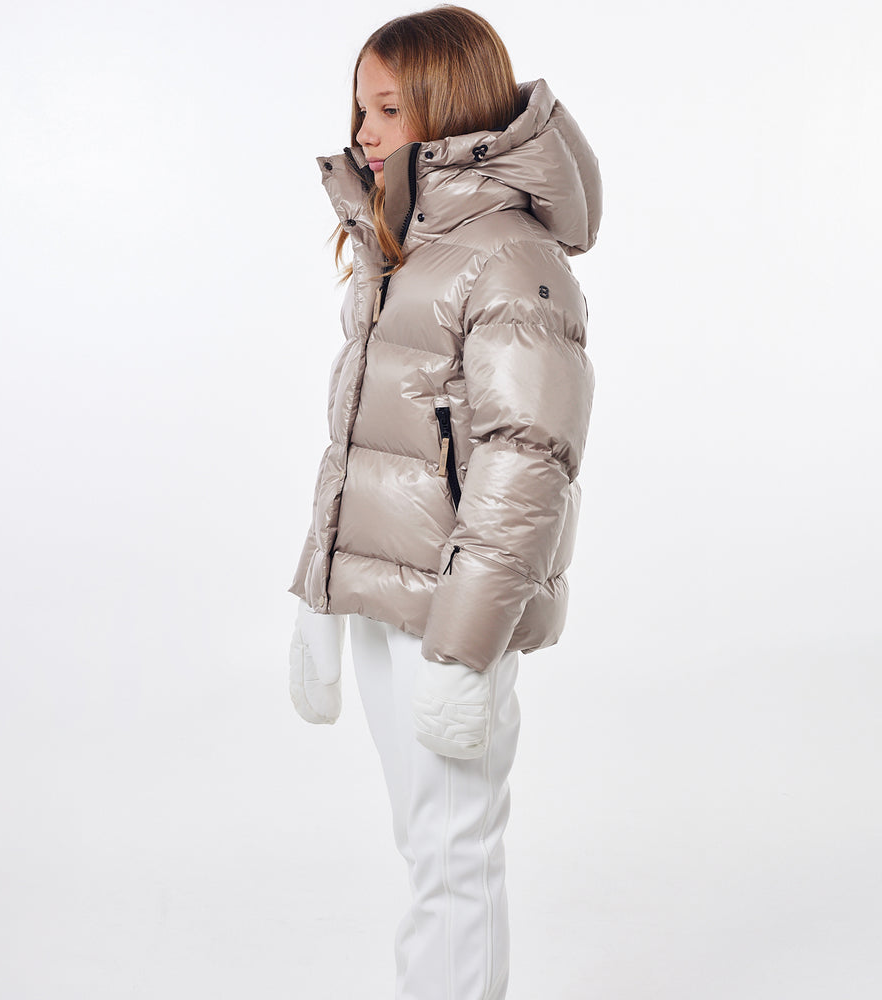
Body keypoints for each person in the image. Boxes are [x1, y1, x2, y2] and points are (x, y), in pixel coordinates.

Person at [287, 6, 601, 998]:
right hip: (386, 598)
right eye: (360, 108)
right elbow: (363, 435)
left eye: (389, 109)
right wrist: (319, 594)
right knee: (426, 844)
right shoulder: (402, 240)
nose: (364, 132)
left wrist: (466, 651)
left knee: (452, 856)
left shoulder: (509, 257)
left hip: (454, 615)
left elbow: (528, 462)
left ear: (450, 107)